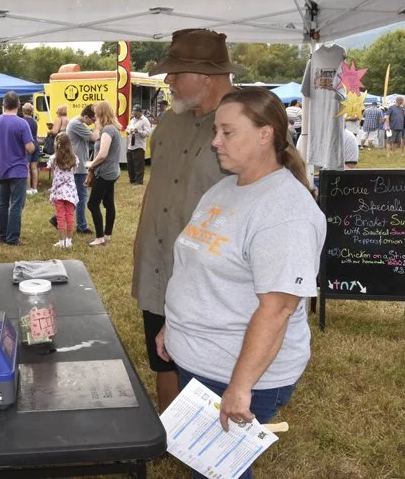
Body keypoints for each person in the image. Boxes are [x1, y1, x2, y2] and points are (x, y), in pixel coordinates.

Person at [157, 88, 325, 479]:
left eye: (227, 132)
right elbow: (196, 268)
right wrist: (174, 325)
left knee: (217, 471)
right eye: (215, 131)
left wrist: (240, 387)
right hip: (202, 359)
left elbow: (278, 309)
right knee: (207, 465)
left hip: (236, 373)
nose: (215, 141)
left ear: (266, 134)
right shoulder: (226, 188)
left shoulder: (286, 212)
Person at [132, 28, 238, 413]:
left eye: (176, 72)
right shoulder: (170, 121)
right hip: (160, 264)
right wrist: (141, 243)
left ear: (206, 77)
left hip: (211, 278)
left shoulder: (249, 124)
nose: (168, 80)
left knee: (209, 370)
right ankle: (172, 432)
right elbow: (156, 184)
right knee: (162, 359)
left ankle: (209, 436)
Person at [0, 91, 35, 245]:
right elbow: (29, 147)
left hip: (1, 168)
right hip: (18, 169)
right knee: (16, 204)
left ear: (4, 104)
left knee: (3, 204)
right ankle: (13, 237)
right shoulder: (22, 123)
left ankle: (2, 235)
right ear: (18, 105)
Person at [49, 104, 99, 234]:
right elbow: (94, 137)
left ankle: (59, 219)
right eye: (93, 120)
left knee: (76, 197)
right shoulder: (77, 124)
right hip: (79, 168)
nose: (93, 123)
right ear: (86, 117)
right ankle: (81, 226)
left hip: (79, 166)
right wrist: (98, 125)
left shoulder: (77, 123)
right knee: (81, 197)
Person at [86, 101, 122, 247]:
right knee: (108, 203)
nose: (94, 116)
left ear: (101, 113)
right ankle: (107, 235)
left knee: (92, 204)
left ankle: (100, 237)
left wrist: (91, 165)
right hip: (112, 171)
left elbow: (102, 154)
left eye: (95, 113)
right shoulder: (113, 129)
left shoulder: (107, 130)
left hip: (105, 173)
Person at [48, 132, 79, 248]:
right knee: (70, 216)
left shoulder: (53, 159)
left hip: (58, 191)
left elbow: (52, 172)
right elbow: (73, 172)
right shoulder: (74, 158)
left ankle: (61, 242)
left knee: (60, 216)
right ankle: (69, 241)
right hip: (71, 191)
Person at [125, 104, 152, 185]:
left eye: (136, 112)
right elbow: (128, 128)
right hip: (130, 145)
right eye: (133, 112)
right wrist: (128, 131)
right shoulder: (132, 120)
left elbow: (148, 133)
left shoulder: (145, 120)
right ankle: (132, 179)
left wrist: (138, 131)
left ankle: (139, 181)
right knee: (130, 164)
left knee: (138, 164)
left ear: (140, 112)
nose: (134, 114)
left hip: (139, 145)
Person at [22, 102, 40, 195]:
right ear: (32, 111)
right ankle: (35, 188)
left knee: (27, 167)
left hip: (28, 144)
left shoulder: (22, 121)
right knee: (34, 167)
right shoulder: (34, 122)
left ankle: (28, 189)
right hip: (36, 143)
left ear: (23, 111)